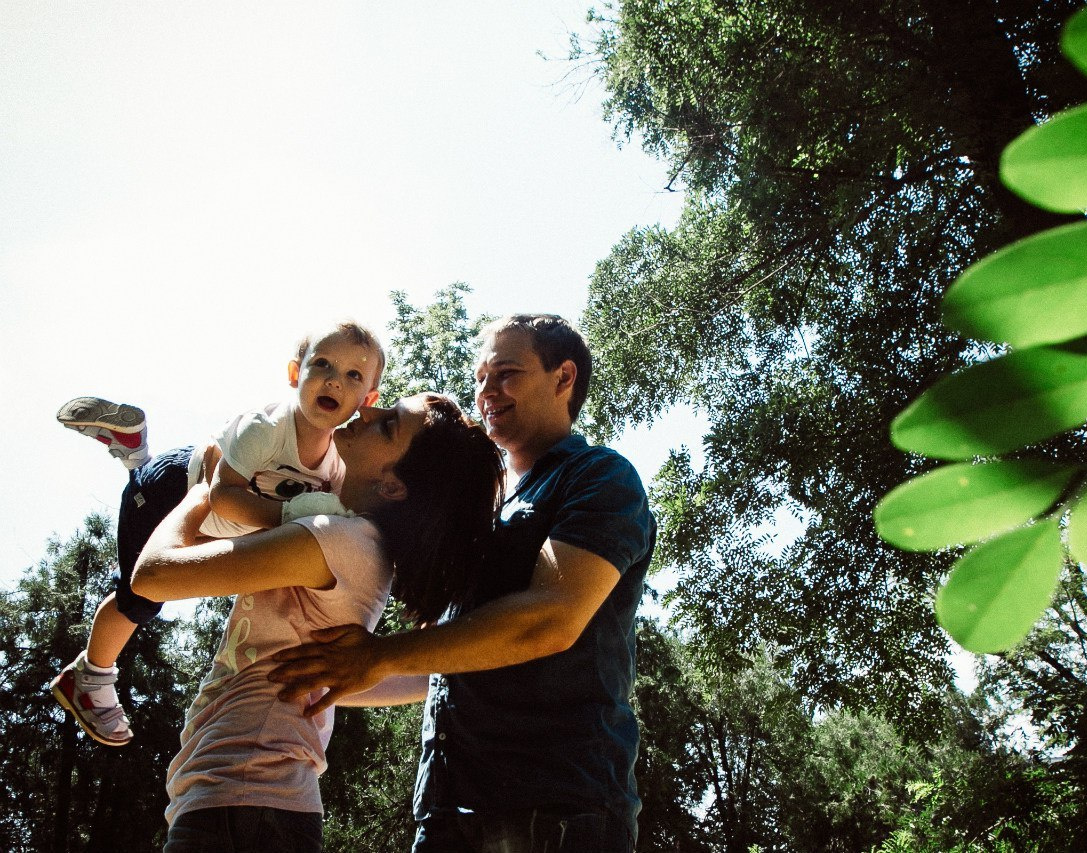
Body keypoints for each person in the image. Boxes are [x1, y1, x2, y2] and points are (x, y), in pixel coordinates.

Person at [270, 314, 656, 853]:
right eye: (480, 378)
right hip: (447, 814)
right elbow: (442, 672)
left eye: (506, 373)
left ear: (563, 377)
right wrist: (318, 679)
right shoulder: (484, 511)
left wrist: (378, 656)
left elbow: (551, 619)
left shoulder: (599, 477)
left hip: (555, 811)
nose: (486, 392)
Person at [134, 393, 504, 853]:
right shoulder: (357, 545)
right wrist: (355, 674)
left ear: (392, 486)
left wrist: (199, 495)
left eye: (387, 425)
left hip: (241, 806)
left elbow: (153, 576)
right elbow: (421, 678)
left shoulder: (338, 540)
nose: (366, 411)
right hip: (252, 804)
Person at [49, 321, 384, 746]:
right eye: (322, 364)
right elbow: (222, 496)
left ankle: (133, 447)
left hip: (204, 517)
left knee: (197, 559)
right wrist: (292, 517)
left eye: (354, 375)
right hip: (166, 493)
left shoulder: (339, 462)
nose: (335, 379)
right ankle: (89, 677)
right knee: (143, 598)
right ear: (295, 374)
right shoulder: (265, 427)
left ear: (367, 400)